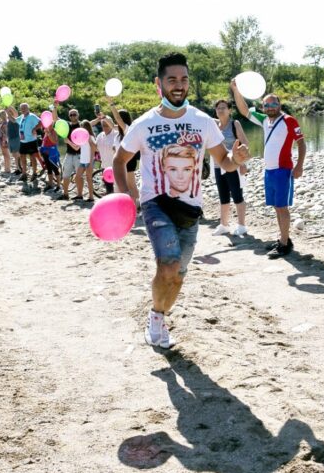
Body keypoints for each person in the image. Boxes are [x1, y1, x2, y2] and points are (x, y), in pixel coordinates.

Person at [114, 52, 250, 348]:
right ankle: (155, 321)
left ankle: (158, 315)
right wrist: (124, 195)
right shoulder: (143, 124)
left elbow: (223, 162)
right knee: (169, 265)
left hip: (191, 209)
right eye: (172, 79)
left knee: (178, 275)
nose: (179, 85)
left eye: (184, 79)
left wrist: (236, 159)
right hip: (156, 204)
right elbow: (119, 159)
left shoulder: (202, 121)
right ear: (158, 84)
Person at [232, 85, 305, 258]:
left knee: (282, 207)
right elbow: (244, 111)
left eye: (273, 104)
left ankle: (285, 244)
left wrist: (299, 165)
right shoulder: (264, 120)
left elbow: (301, 143)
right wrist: (236, 90)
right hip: (269, 170)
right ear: (263, 107)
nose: (270, 107)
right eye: (266, 105)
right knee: (276, 207)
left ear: (279, 105)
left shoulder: (289, 120)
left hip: (283, 170)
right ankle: (283, 239)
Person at [209, 98, 249, 237]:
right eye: (218, 108)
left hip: (233, 165)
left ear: (229, 110)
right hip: (217, 165)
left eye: (223, 107)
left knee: (237, 195)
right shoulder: (213, 125)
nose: (220, 110)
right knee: (223, 196)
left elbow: (244, 144)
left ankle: (242, 226)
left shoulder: (234, 124)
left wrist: (242, 163)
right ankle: (224, 225)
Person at [7, 103, 41, 181]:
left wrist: (34, 129)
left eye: (24, 108)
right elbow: (14, 120)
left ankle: (34, 174)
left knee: (32, 158)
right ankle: (24, 174)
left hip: (31, 140)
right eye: (22, 108)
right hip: (23, 141)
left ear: (28, 108)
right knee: (22, 157)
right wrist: (8, 113)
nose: (23, 110)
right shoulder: (21, 117)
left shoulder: (32, 116)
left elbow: (41, 123)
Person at [93, 115, 121, 195]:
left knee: (118, 188)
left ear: (111, 124)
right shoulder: (100, 135)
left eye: (106, 125)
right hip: (105, 165)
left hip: (115, 166)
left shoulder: (117, 134)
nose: (105, 127)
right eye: (103, 125)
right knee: (108, 187)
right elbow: (96, 148)